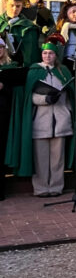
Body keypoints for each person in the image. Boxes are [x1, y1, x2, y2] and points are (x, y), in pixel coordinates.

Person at [18, 42, 73, 197]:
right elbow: (31, 96)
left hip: (61, 120)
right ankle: (41, 188)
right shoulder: (34, 71)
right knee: (41, 158)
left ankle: (56, 187)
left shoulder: (63, 72)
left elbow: (70, 95)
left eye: (51, 53)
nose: (47, 56)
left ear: (56, 56)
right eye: (45, 53)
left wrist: (67, 109)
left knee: (58, 158)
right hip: (41, 121)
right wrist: (46, 99)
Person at [0, 38, 25, 200]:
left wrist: (4, 85)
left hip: (4, 112)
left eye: (1, 47)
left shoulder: (10, 67)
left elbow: (17, 88)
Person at [0, 0, 40, 66]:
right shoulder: (0, 22)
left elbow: (32, 53)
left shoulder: (29, 27)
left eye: (18, 6)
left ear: (22, 7)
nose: (15, 9)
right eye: (12, 5)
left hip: (20, 68)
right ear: (5, 5)